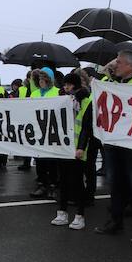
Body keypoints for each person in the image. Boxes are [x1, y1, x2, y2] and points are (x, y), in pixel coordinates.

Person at [95, 50, 132, 243]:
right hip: (113, 143)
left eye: (119, 62)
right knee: (115, 183)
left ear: (130, 66)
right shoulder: (113, 84)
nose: (115, 65)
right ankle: (115, 221)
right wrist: (108, 75)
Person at [50, 72, 92, 230]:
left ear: (75, 84)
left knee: (77, 183)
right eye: (65, 84)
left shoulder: (86, 101)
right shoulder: (64, 100)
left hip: (78, 148)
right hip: (64, 147)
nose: (65, 87)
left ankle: (80, 215)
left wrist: (81, 147)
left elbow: (86, 127)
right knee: (63, 181)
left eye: (68, 84)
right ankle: (62, 212)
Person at [29, 68, 60, 199]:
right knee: (40, 160)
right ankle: (42, 185)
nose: (41, 81)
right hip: (38, 132)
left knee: (52, 161)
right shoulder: (34, 94)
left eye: (44, 79)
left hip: (52, 132)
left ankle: (53, 186)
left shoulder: (57, 92)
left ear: (49, 79)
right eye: (40, 79)